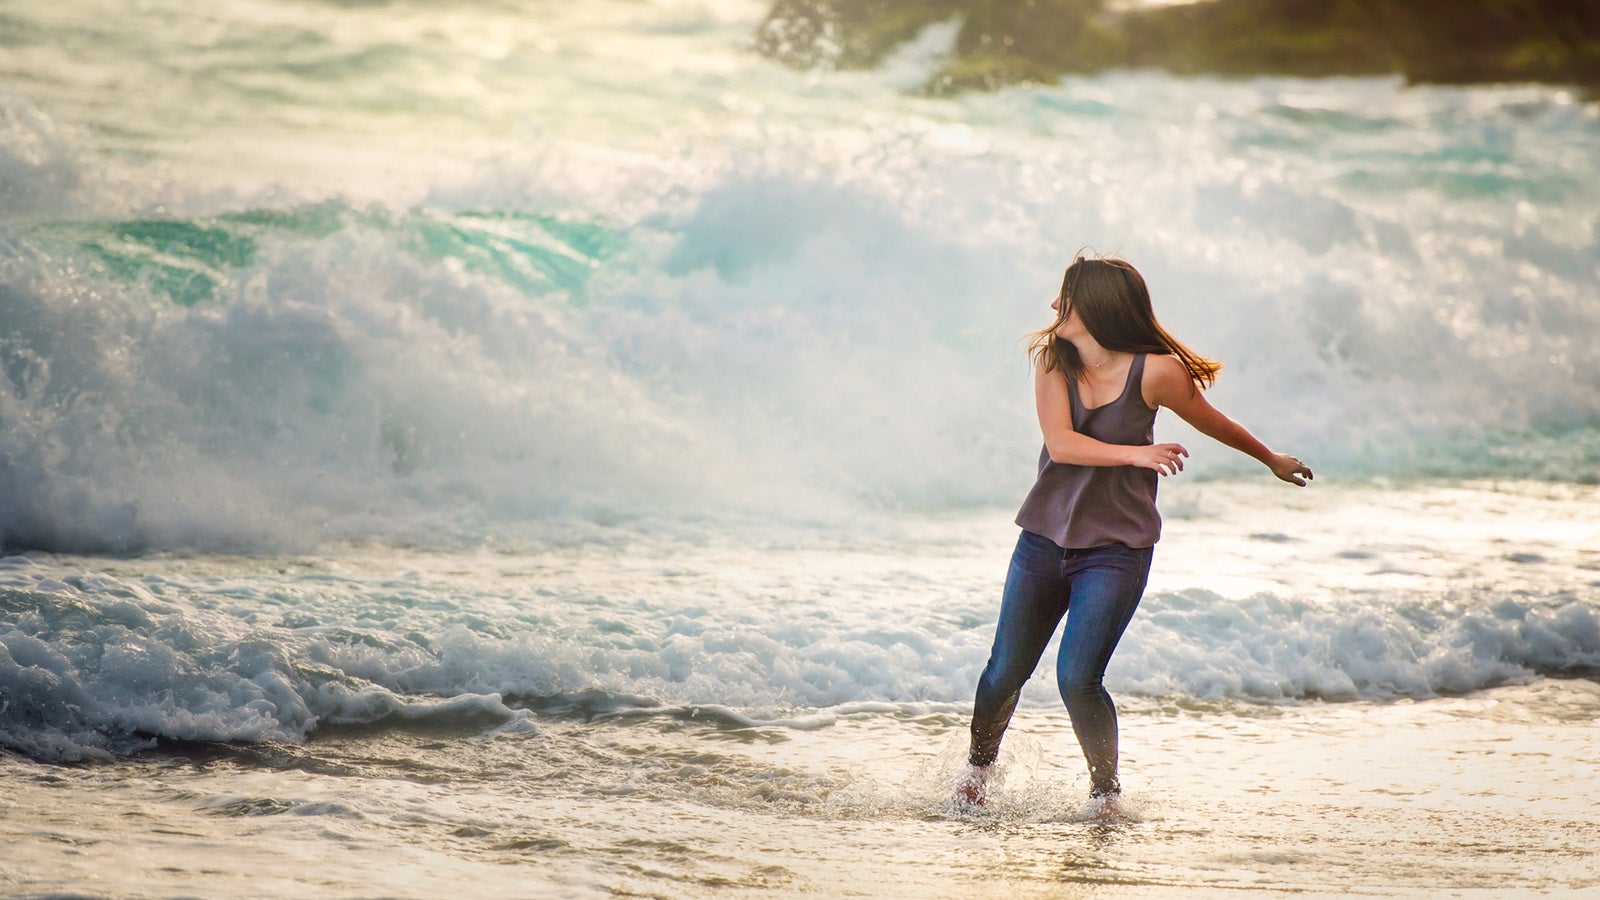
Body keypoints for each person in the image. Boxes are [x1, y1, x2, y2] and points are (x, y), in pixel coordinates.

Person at [957, 254, 1311, 814]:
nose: (1054, 306)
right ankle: (976, 778)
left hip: (1116, 552)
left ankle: (1104, 798)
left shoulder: (1157, 373)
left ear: (1095, 306)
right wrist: (1138, 454)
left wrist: (1270, 458)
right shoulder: (1054, 360)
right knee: (1003, 672)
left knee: (1077, 678)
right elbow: (1062, 445)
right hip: (1043, 541)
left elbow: (1213, 421)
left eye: (1065, 297)